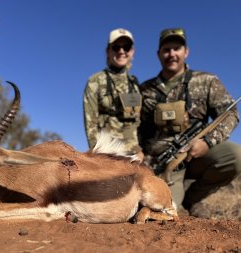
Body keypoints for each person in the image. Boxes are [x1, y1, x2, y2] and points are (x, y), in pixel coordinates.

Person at [139, 28, 241, 215]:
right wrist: (139, 155)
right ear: (159, 54)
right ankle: (178, 198)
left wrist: (207, 142)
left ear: (186, 52)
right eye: (166, 50)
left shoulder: (207, 80)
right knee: (163, 209)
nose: (172, 54)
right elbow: (137, 129)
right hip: (160, 163)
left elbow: (231, 114)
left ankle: (193, 198)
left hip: (196, 156)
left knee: (235, 155)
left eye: (176, 48)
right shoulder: (145, 89)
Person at [83, 28, 142, 153]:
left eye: (126, 47)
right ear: (108, 51)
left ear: (132, 51)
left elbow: (139, 123)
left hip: (134, 154)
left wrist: (140, 152)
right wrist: (99, 155)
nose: (121, 51)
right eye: (116, 47)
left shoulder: (135, 84)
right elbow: (90, 125)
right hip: (108, 153)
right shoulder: (95, 81)